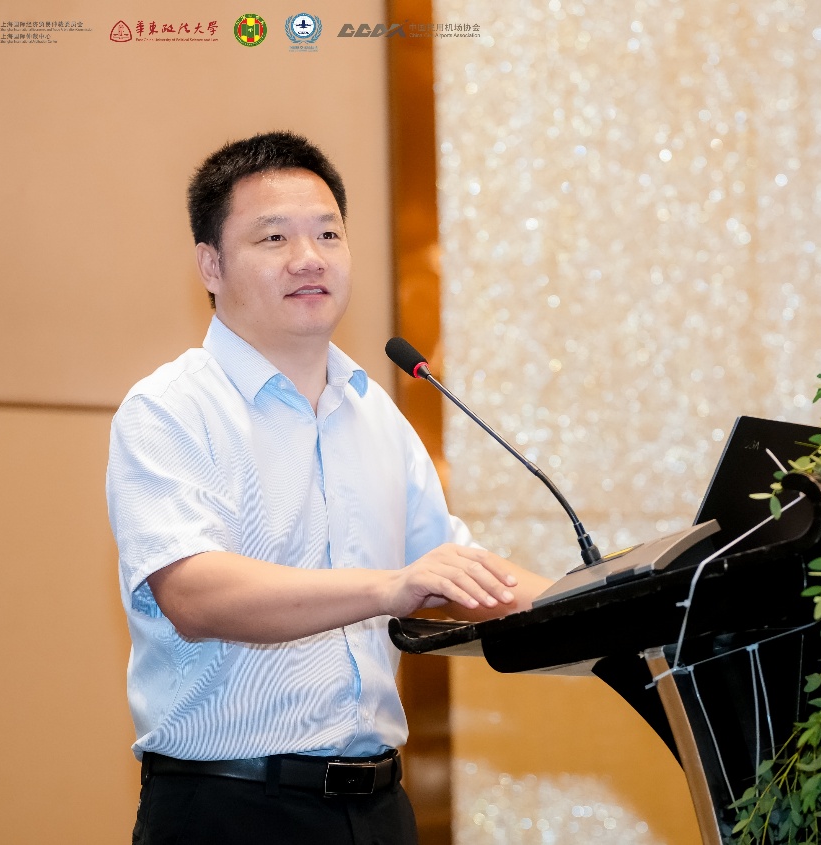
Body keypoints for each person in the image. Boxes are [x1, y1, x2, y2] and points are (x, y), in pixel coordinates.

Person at [106, 131, 549, 845]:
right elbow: (193, 593)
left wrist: (627, 602)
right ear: (211, 264)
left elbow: (455, 569)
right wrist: (387, 587)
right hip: (229, 809)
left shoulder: (375, 412)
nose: (309, 257)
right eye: (274, 237)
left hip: (378, 809)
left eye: (328, 234)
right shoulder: (170, 408)